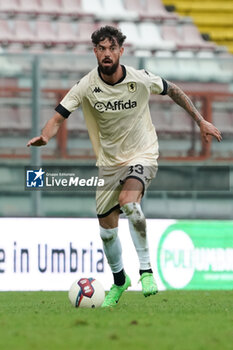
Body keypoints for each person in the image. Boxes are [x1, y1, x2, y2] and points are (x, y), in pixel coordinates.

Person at [27, 26, 222, 307]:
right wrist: (45, 135)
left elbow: (174, 90)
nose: (107, 54)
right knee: (107, 231)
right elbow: (59, 116)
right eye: (101, 49)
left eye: (112, 48)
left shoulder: (139, 79)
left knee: (129, 202)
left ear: (121, 51)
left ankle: (146, 271)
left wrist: (200, 120)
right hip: (108, 165)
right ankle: (120, 281)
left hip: (142, 154)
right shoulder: (86, 85)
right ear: (95, 52)